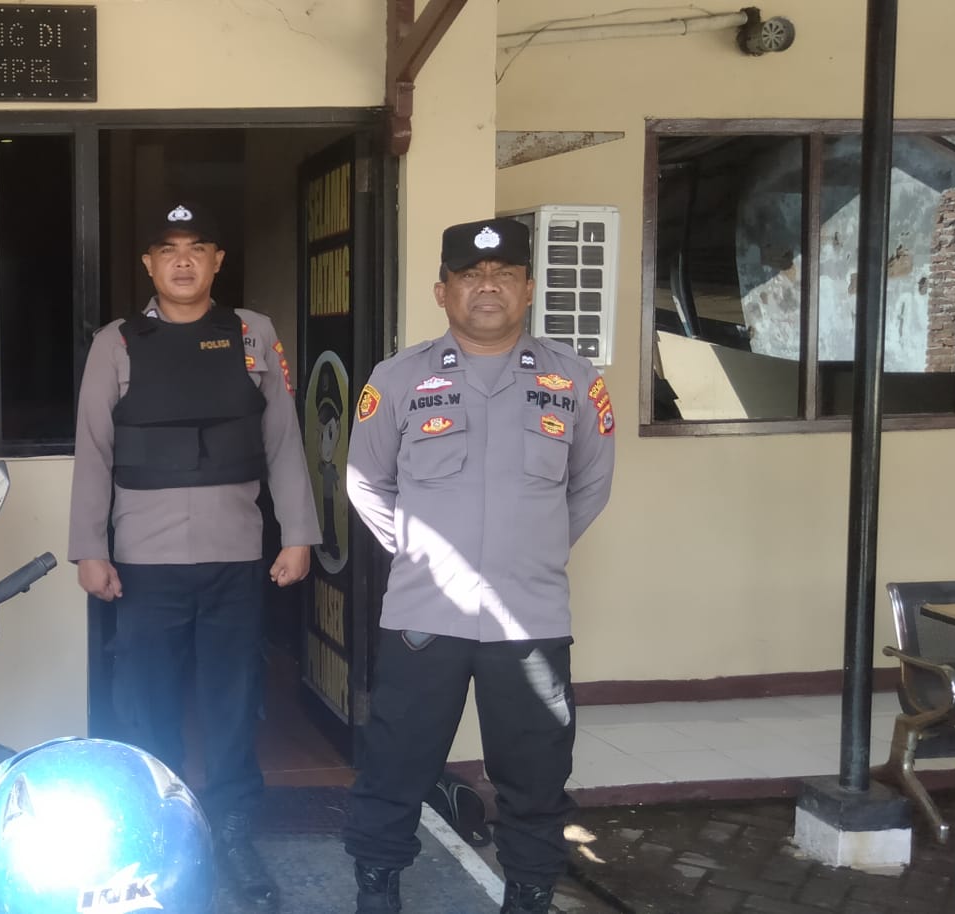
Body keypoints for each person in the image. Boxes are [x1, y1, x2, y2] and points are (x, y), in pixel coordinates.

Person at [342, 218, 616, 913]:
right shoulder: (397, 378)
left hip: (530, 616)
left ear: (528, 288)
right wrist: (418, 553)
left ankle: (527, 893)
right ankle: (377, 888)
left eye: (503, 274)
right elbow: (366, 482)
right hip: (423, 614)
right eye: (469, 275)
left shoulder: (574, 380)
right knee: (395, 763)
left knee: (535, 773)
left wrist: (535, 548)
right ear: (443, 291)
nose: (486, 286)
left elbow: (590, 484)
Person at [67, 200, 320, 911]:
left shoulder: (252, 333)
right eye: (168, 250)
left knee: (232, 697)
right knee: (146, 702)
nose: (183, 262)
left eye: (197, 248)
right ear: (149, 264)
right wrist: (89, 548)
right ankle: (157, 828)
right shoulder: (117, 342)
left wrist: (297, 533)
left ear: (217, 261)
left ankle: (232, 826)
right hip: (143, 561)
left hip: (235, 554)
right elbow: (94, 450)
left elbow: (282, 440)